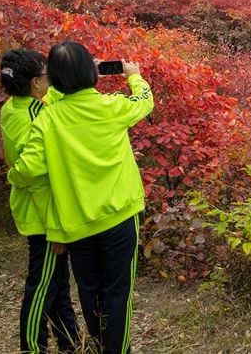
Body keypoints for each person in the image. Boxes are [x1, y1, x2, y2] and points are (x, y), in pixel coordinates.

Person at [8, 42, 154, 354]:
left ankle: (100, 343)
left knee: (90, 290)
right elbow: (144, 101)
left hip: (77, 224)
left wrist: (12, 176)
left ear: (54, 80)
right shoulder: (112, 107)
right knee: (118, 292)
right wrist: (134, 76)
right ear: (92, 73)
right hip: (120, 215)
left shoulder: (47, 120)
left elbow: (28, 169)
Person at [0, 49, 78, 354]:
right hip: (44, 216)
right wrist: (57, 227)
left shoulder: (14, 107)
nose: (51, 79)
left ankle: (70, 343)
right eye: (47, 75)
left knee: (56, 284)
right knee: (42, 286)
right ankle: (33, 347)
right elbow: (36, 177)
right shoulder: (36, 117)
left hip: (35, 211)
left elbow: (49, 99)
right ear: (34, 82)